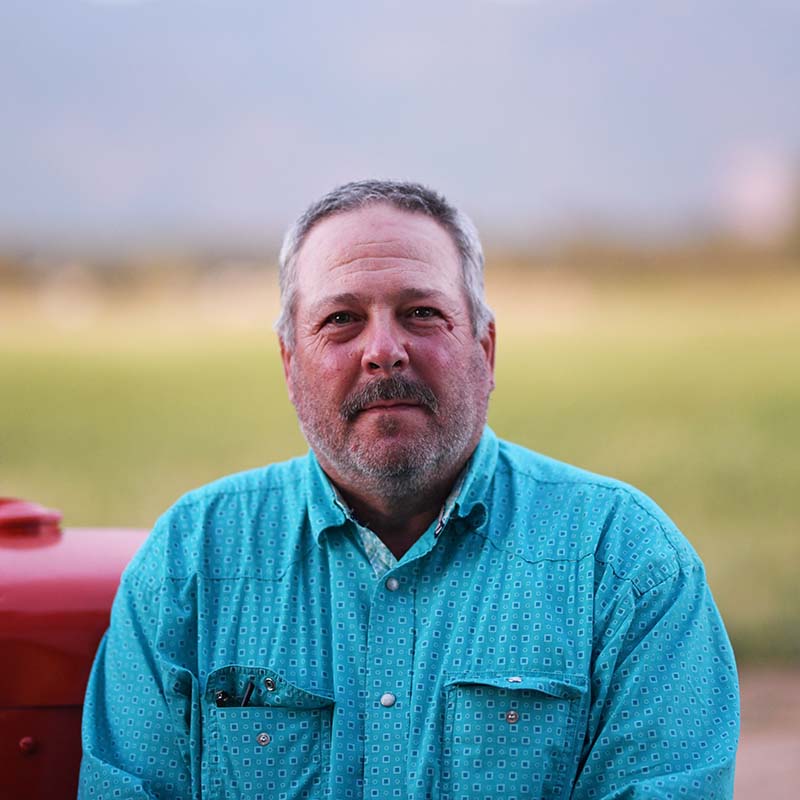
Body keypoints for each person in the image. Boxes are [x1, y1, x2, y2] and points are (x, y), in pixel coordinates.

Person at [79, 180, 739, 799]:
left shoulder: (627, 567)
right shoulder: (190, 564)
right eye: (341, 319)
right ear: (289, 363)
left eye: (422, 313)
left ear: (485, 349)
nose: (384, 350)